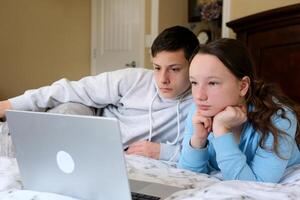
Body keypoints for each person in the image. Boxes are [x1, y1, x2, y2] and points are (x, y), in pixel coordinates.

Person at [0, 26, 199, 162]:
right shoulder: (135, 79)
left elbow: (207, 156)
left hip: (106, 150)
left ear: (193, 65)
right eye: (157, 68)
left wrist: (163, 151)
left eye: (174, 69)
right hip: (91, 120)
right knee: (66, 113)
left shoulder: (200, 103)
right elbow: (72, 88)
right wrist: (10, 104)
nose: (163, 79)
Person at [178, 38, 300, 183]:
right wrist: (198, 139)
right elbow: (185, 176)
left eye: (212, 83)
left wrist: (221, 130)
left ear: (242, 86)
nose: (199, 96)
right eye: (194, 82)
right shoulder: (199, 110)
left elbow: (254, 185)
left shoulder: (280, 119)